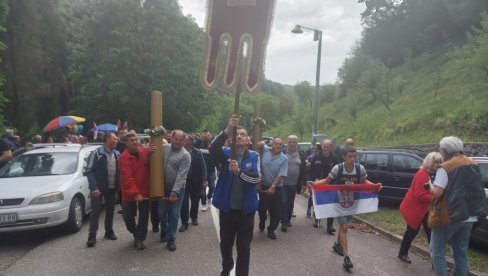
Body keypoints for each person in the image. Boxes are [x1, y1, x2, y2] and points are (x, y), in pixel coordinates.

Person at [310, 147, 380, 270]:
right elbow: (327, 181)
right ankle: (347, 257)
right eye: (349, 156)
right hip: (340, 202)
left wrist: (375, 186)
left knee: (344, 226)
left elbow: (364, 182)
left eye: (354, 156)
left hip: (353, 203)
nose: (352, 159)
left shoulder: (360, 168)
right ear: (344, 157)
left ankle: (337, 244)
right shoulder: (338, 168)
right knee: (344, 227)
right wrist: (313, 184)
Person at [210, 114, 261, 276]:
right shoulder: (225, 153)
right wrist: (227, 129)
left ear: (248, 141)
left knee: (244, 249)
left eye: (242, 134)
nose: (238, 136)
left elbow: (256, 179)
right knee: (225, 245)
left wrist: (238, 172)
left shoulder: (254, 156)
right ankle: (227, 266)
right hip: (227, 211)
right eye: (235, 134)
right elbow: (212, 148)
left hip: (246, 212)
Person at [429, 136, 488, 276]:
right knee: (460, 252)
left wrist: (430, 185)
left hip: (450, 215)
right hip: (470, 216)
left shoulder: (446, 167)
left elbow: (437, 193)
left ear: (444, 151)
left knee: (437, 251)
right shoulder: (472, 163)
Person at [397, 152, 442, 263]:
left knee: (431, 234)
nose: (439, 164)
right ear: (430, 163)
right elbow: (420, 194)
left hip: (424, 209)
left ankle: (435, 260)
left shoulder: (430, 174)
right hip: (415, 209)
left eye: (441, 162)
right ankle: (402, 253)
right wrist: (435, 197)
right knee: (412, 232)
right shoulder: (422, 174)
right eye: (437, 162)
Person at [85, 133, 120, 247]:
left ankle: (109, 232)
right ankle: (92, 235)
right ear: (108, 139)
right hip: (98, 189)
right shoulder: (96, 153)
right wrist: (94, 187)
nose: (117, 140)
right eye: (115, 138)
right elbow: (89, 170)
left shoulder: (117, 153)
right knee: (95, 212)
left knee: (110, 210)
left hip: (112, 187)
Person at [158, 130, 191, 251]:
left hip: (178, 190)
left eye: (180, 140)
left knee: (174, 214)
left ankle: (171, 239)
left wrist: (174, 192)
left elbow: (182, 175)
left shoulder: (185, 155)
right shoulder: (163, 148)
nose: (177, 141)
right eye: (175, 139)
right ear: (171, 138)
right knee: (161, 213)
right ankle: (164, 230)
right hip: (162, 188)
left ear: (184, 141)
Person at [119, 132, 152, 250]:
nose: (135, 141)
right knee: (128, 216)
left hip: (145, 189)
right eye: (131, 140)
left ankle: (139, 239)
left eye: (136, 139)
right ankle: (135, 231)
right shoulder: (123, 157)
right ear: (126, 143)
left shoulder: (145, 152)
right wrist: (136, 193)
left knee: (144, 217)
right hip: (129, 192)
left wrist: (152, 150)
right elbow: (128, 178)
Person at [257, 137, 288, 239]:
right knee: (262, 209)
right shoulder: (266, 150)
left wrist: (273, 187)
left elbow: (281, 174)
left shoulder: (284, 158)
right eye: (276, 143)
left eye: (280, 144)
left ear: (282, 146)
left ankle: (271, 230)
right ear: (272, 144)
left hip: (277, 187)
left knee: (276, 211)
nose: (278, 146)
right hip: (264, 185)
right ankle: (262, 220)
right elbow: (259, 144)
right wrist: (264, 142)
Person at [309, 139, 340, 234]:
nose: (325, 148)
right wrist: (315, 179)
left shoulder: (335, 158)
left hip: (331, 184)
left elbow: (338, 171)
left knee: (331, 205)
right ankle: (317, 219)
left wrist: (335, 183)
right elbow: (311, 170)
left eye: (327, 147)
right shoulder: (316, 156)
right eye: (324, 146)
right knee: (319, 203)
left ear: (331, 147)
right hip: (319, 184)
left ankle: (329, 226)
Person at [179, 135, 207, 232]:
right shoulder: (180, 152)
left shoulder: (198, 152)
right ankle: (184, 222)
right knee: (184, 202)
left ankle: (194, 217)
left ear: (191, 142)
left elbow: (203, 167)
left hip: (196, 181)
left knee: (195, 201)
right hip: (184, 181)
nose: (185, 142)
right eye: (184, 140)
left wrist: (204, 179)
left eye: (187, 140)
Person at [281, 135, 306, 231]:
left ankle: (287, 220)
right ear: (287, 143)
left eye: (294, 142)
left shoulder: (301, 154)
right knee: (283, 201)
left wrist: (304, 183)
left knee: (290, 203)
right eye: (290, 141)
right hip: (282, 183)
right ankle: (283, 222)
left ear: (297, 143)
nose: (292, 143)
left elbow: (303, 170)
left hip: (294, 184)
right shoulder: (282, 153)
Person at [194, 129, 216, 212]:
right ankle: (203, 203)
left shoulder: (213, 145)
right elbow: (194, 146)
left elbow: (216, 156)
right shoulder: (198, 144)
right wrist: (200, 139)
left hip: (211, 170)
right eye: (205, 135)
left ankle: (209, 198)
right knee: (202, 189)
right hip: (201, 171)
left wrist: (218, 168)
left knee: (212, 187)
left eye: (208, 135)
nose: (207, 136)